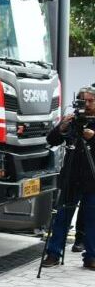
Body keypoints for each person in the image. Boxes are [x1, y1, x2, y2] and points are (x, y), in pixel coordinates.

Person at [41, 86, 95, 269]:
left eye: (90, 101)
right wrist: (62, 127)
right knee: (62, 217)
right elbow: (52, 140)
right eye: (82, 100)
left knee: (92, 219)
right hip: (72, 176)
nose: (86, 104)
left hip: (92, 179)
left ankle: (91, 257)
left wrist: (93, 137)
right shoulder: (72, 120)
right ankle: (53, 253)